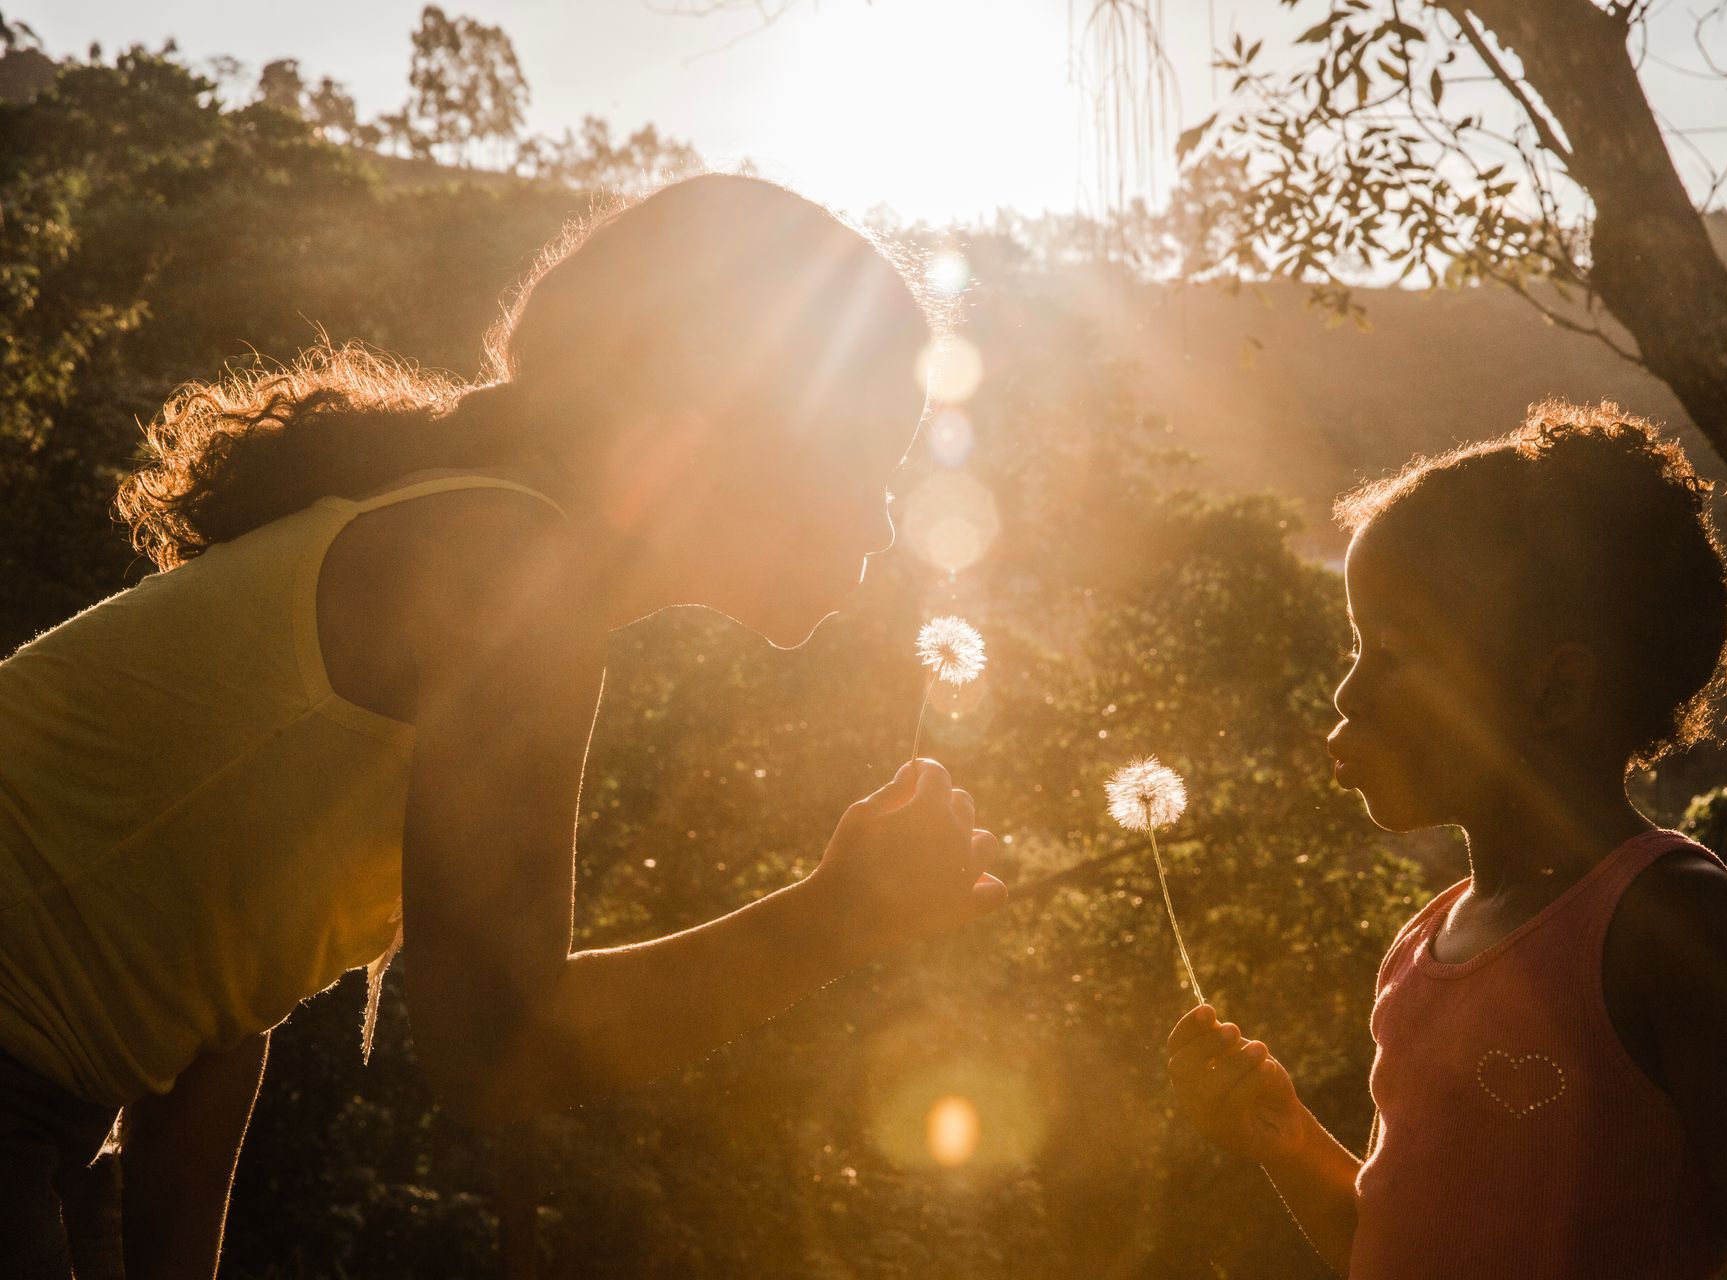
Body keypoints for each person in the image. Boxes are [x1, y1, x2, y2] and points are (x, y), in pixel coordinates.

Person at [0, 173, 1007, 1278]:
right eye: (863, 460)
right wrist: (835, 919)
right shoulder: (514, 571)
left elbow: (216, 996)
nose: (880, 519)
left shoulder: (484, 537)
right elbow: (497, 1045)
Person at [1165, 402, 1727, 1278]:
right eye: (1356, 650)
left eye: (1391, 651)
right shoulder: (1421, 950)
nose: (1346, 695)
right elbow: (1389, 1246)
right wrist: (1288, 1140)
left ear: (1555, 689)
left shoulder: (1669, 923)